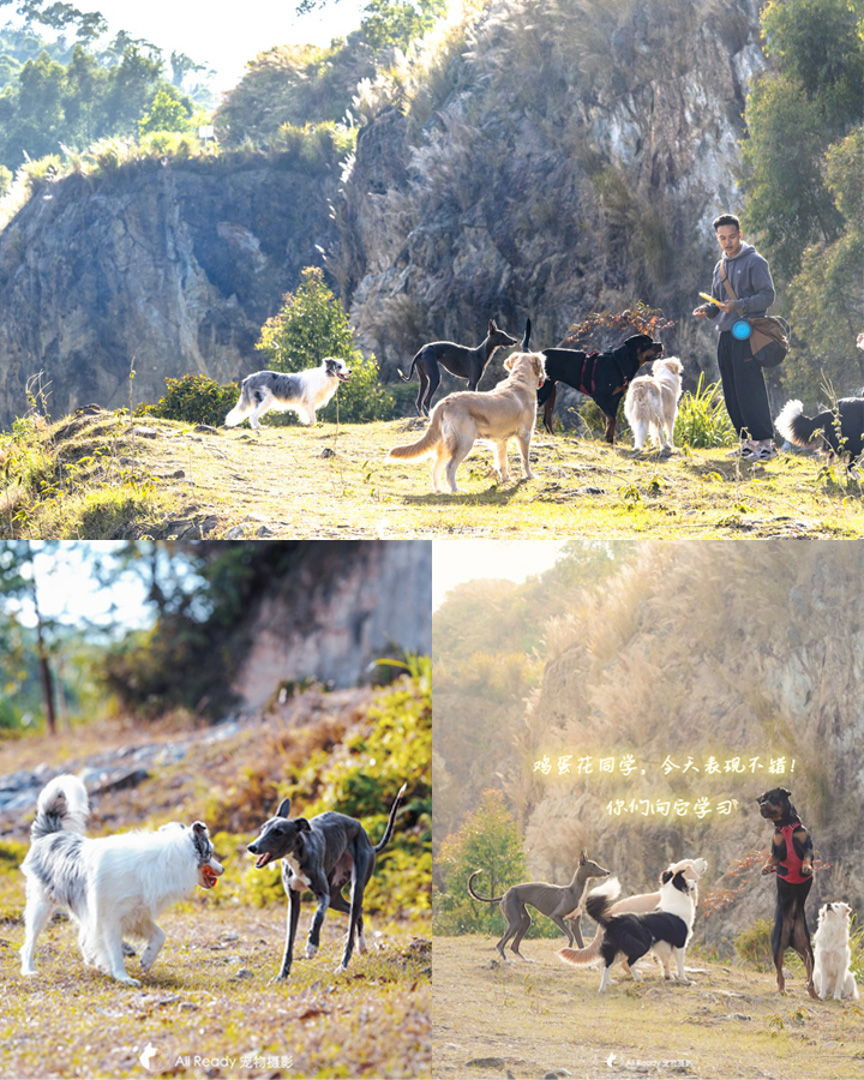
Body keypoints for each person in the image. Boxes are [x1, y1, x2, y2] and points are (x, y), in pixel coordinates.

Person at [693, 213, 777, 460]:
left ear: (740, 235)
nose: (727, 242)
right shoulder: (719, 267)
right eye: (722, 238)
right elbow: (719, 303)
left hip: (748, 334)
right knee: (732, 389)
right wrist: (708, 311)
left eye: (731, 237)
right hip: (726, 335)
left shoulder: (756, 262)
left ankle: (766, 446)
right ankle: (748, 444)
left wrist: (739, 304)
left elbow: (767, 296)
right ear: (717, 238)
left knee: (750, 388)